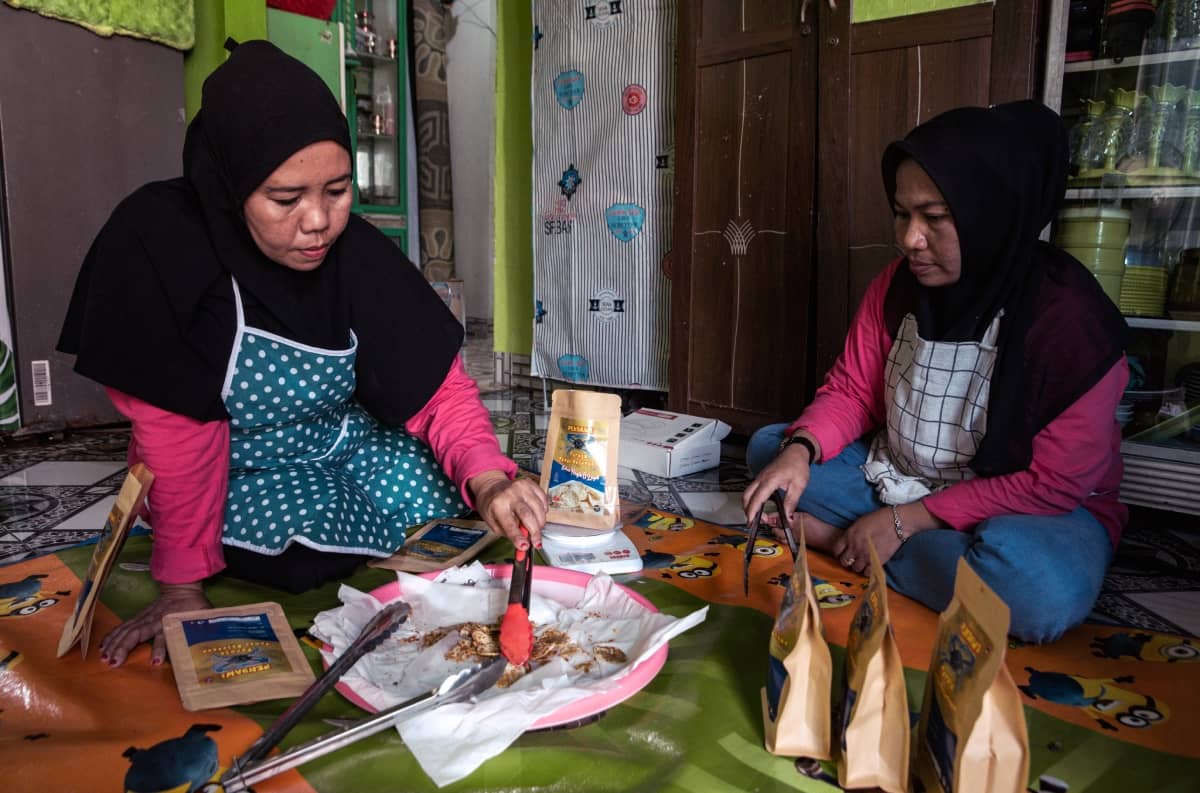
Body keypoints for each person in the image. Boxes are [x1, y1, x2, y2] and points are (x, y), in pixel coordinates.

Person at [58, 40, 547, 667]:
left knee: (443, 496)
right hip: (231, 467)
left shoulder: (356, 254)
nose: (318, 220)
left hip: (339, 441)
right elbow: (177, 438)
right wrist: (180, 587)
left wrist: (485, 475)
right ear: (232, 184)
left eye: (338, 190)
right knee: (306, 543)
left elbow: (434, 386)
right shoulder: (159, 245)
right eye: (285, 200)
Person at [742, 100, 1129, 644]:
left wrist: (905, 522)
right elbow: (854, 392)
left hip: (1029, 507)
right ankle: (881, 543)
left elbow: (1054, 482)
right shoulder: (896, 285)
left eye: (935, 218)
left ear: (990, 212)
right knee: (770, 453)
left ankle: (839, 539)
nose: (909, 240)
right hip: (906, 471)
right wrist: (800, 451)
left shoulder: (1069, 320)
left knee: (1036, 590)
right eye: (902, 214)